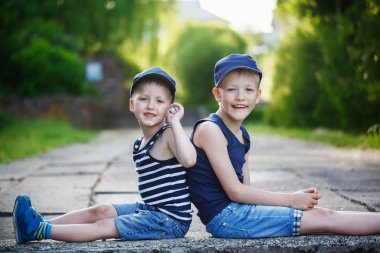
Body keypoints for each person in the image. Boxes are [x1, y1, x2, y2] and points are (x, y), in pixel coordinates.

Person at [186, 53, 380, 238]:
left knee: (321, 213)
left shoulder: (242, 134)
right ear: (217, 94)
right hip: (226, 219)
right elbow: (235, 191)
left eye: (248, 89)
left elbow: (246, 192)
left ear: (258, 95)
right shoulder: (210, 130)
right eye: (231, 89)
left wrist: (289, 204)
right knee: (324, 217)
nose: (240, 96)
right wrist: (290, 199)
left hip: (238, 213)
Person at [13, 67, 197, 243]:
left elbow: (189, 160)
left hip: (171, 221)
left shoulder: (168, 135)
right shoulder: (138, 144)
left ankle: (38, 231)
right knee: (100, 210)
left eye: (159, 101)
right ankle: (38, 225)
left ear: (169, 108)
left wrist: (174, 122)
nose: (150, 106)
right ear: (132, 105)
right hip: (151, 209)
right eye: (144, 99)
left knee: (103, 225)